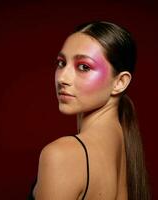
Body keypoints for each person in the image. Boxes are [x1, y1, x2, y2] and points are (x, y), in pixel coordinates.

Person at [29, 21, 150, 200]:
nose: (62, 78)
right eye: (61, 63)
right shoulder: (125, 149)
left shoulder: (63, 155)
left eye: (84, 67)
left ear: (120, 82)